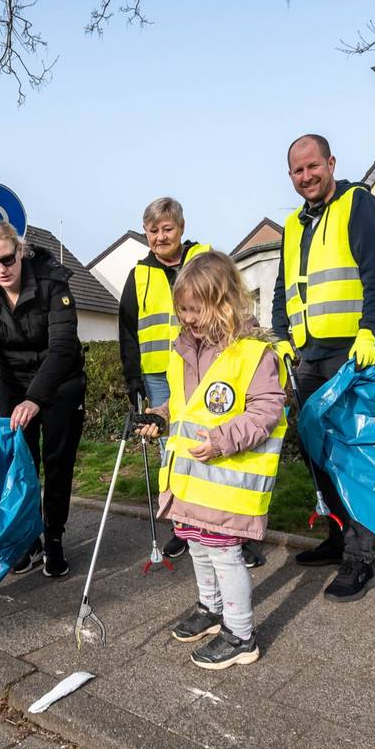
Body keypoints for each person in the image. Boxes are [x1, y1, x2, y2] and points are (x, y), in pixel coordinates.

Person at [137, 251, 287, 670]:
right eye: (182, 309)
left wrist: (222, 440)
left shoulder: (253, 352)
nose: (187, 318)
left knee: (224, 554)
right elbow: (184, 406)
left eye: (194, 309)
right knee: (198, 546)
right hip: (190, 479)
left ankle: (241, 633)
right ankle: (210, 607)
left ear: (223, 302)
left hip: (227, 477)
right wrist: (159, 416)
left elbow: (266, 410)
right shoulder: (184, 349)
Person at [271, 133, 375, 602]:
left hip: (350, 352)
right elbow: (284, 289)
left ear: (331, 163)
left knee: (350, 456)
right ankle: (337, 534)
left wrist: (373, 332)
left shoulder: (357, 204)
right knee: (317, 450)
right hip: (308, 355)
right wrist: (280, 338)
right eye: (298, 171)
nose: (306, 177)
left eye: (313, 167)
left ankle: (359, 559)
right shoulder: (293, 224)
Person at [118, 198, 265, 568]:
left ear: (180, 228)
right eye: (152, 230)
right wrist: (133, 377)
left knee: (221, 444)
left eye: (167, 228)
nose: (160, 236)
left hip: (214, 362)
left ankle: (235, 530)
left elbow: (231, 299)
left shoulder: (204, 258)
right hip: (163, 373)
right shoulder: (139, 274)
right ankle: (184, 524)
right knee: (177, 449)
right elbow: (126, 330)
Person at [0, 219, 86, 578]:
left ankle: (54, 540)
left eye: (7, 260)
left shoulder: (52, 281)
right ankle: (28, 538)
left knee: (57, 464)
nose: (0, 269)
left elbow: (63, 348)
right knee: (21, 468)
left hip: (61, 382)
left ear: (20, 251)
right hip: (13, 385)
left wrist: (36, 399)